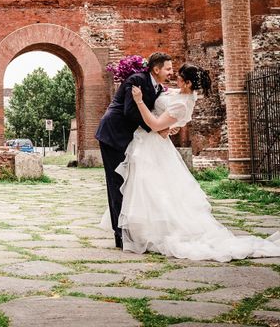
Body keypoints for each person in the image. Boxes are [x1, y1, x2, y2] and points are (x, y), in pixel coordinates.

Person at [118, 63, 280, 261]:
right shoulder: (186, 94)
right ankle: (146, 229)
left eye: (178, 77)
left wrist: (140, 101)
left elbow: (154, 124)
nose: (174, 78)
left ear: (187, 83)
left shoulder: (182, 103)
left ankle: (156, 232)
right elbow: (175, 117)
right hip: (152, 143)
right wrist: (173, 125)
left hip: (153, 145)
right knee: (153, 187)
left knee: (153, 187)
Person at [96, 52, 173, 248]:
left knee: (130, 183)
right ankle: (120, 234)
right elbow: (129, 110)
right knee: (116, 184)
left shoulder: (157, 88)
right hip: (113, 135)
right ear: (156, 69)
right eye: (168, 69)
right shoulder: (136, 80)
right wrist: (155, 128)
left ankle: (131, 229)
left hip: (129, 138)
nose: (171, 72)